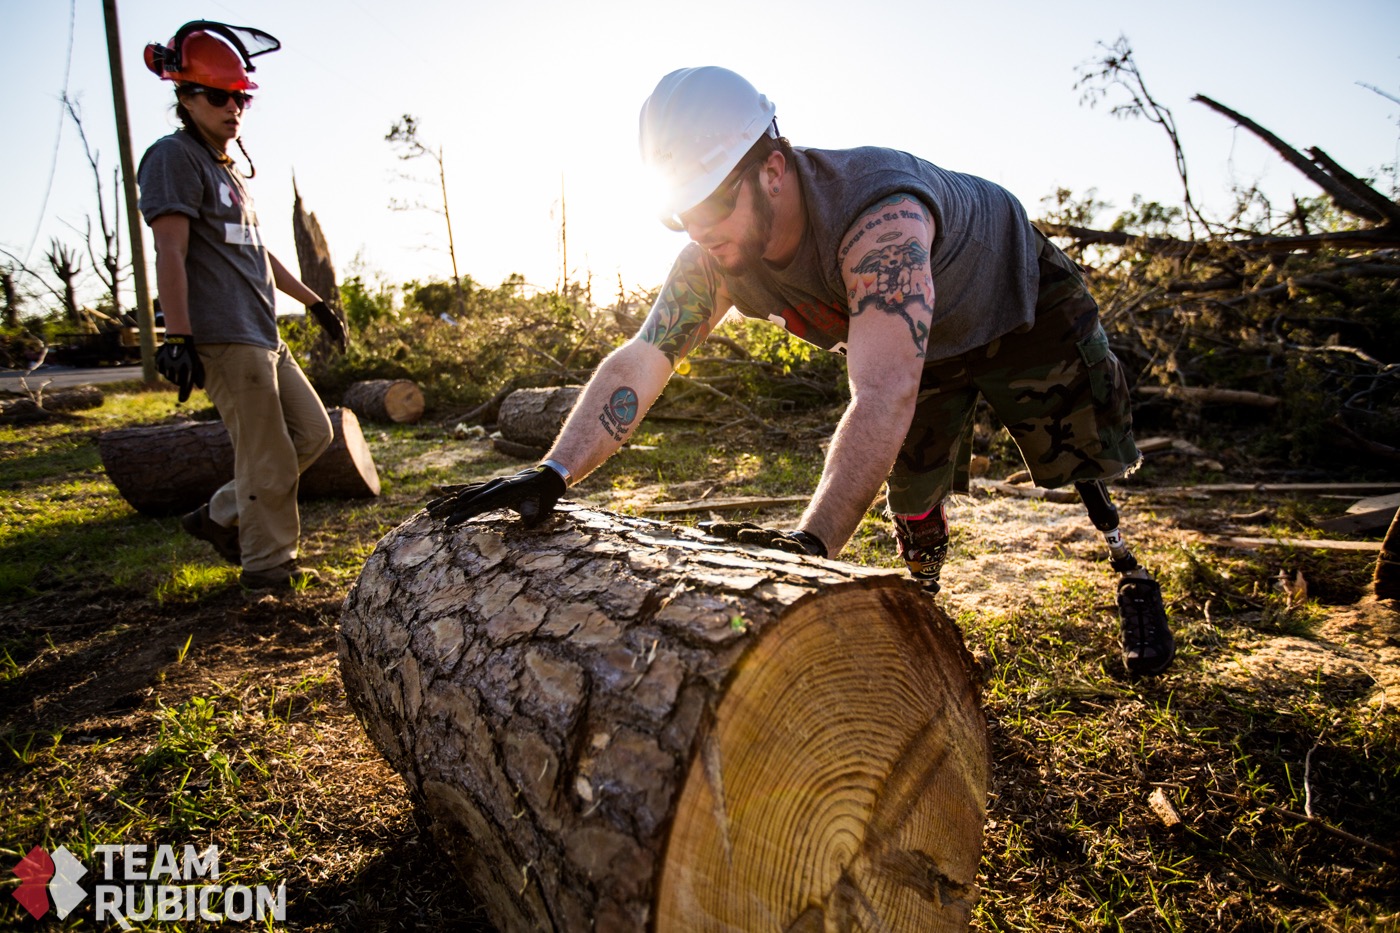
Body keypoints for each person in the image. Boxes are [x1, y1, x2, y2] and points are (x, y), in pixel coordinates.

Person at [430, 66, 1174, 677]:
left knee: (1078, 453)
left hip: (1015, 302)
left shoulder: (880, 220)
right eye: (680, 216)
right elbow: (645, 355)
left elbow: (881, 390)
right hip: (919, 346)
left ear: (773, 170)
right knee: (911, 492)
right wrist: (554, 471)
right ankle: (926, 602)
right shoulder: (715, 254)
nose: (699, 232)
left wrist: (809, 549)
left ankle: (1128, 567)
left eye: (713, 206)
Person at [138, 22, 348, 590]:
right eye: (217, 96)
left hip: (263, 334)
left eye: (240, 97)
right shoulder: (173, 158)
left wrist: (315, 303)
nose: (233, 108)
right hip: (225, 336)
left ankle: (220, 514)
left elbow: (258, 253)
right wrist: (176, 337)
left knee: (313, 434)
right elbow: (170, 251)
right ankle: (267, 570)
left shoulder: (226, 167)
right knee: (270, 454)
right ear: (183, 96)